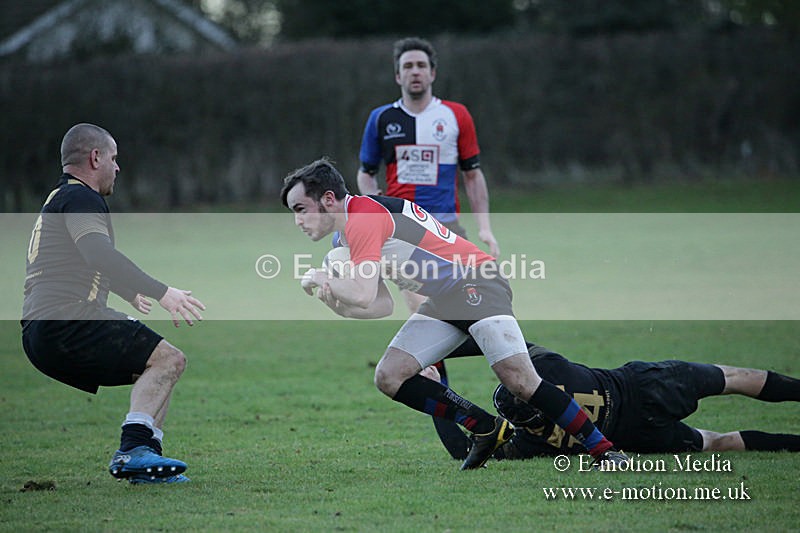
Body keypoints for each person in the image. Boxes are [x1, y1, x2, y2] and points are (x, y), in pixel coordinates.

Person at [280, 158, 628, 470]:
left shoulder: (365, 216)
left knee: (520, 381)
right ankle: (485, 427)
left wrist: (325, 278)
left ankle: (606, 451)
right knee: (389, 376)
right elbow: (378, 305)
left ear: (328, 199)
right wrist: (333, 300)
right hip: (445, 299)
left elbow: (362, 292)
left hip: (477, 280)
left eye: (300, 208)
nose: (297, 221)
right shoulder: (343, 240)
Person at [21, 123, 206, 485]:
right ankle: (133, 451)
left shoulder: (58, 197)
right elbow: (96, 253)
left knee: (153, 370)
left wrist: (124, 290)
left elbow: (73, 261)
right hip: (69, 320)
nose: (117, 167)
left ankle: (147, 462)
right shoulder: (81, 197)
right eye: (114, 158)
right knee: (170, 359)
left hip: (40, 330)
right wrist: (160, 291)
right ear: (95, 158)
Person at [423, 339, 800, 461]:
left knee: (718, 441)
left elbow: (462, 450)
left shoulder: (529, 442)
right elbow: (496, 341)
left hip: (637, 436)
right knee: (736, 380)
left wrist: (436, 384)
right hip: (642, 386)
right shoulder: (551, 370)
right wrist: (437, 352)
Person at [356, 36, 500, 312]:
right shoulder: (381, 118)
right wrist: (376, 209)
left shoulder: (455, 115)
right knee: (423, 310)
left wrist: (485, 228)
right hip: (404, 229)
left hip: (447, 227)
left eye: (421, 65)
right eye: (408, 66)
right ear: (398, 76)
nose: (415, 71)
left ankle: (514, 353)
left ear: (432, 73)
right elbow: (366, 173)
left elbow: (472, 175)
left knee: (473, 308)